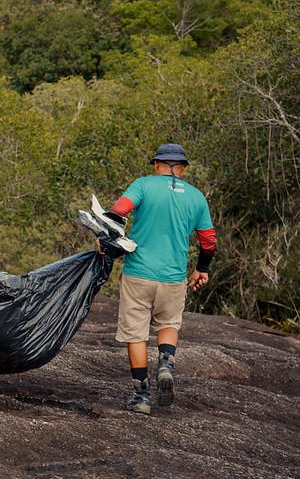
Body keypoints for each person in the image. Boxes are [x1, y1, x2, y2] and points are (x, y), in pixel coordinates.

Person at [107, 143, 216, 415]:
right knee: (169, 323)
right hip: (174, 277)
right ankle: (166, 363)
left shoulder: (143, 185)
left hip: (138, 274)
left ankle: (141, 395)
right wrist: (201, 269)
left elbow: (118, 210)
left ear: (157, 164)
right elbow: (209, 241)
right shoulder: (196, 197)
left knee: (136, 334)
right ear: (183, 168)